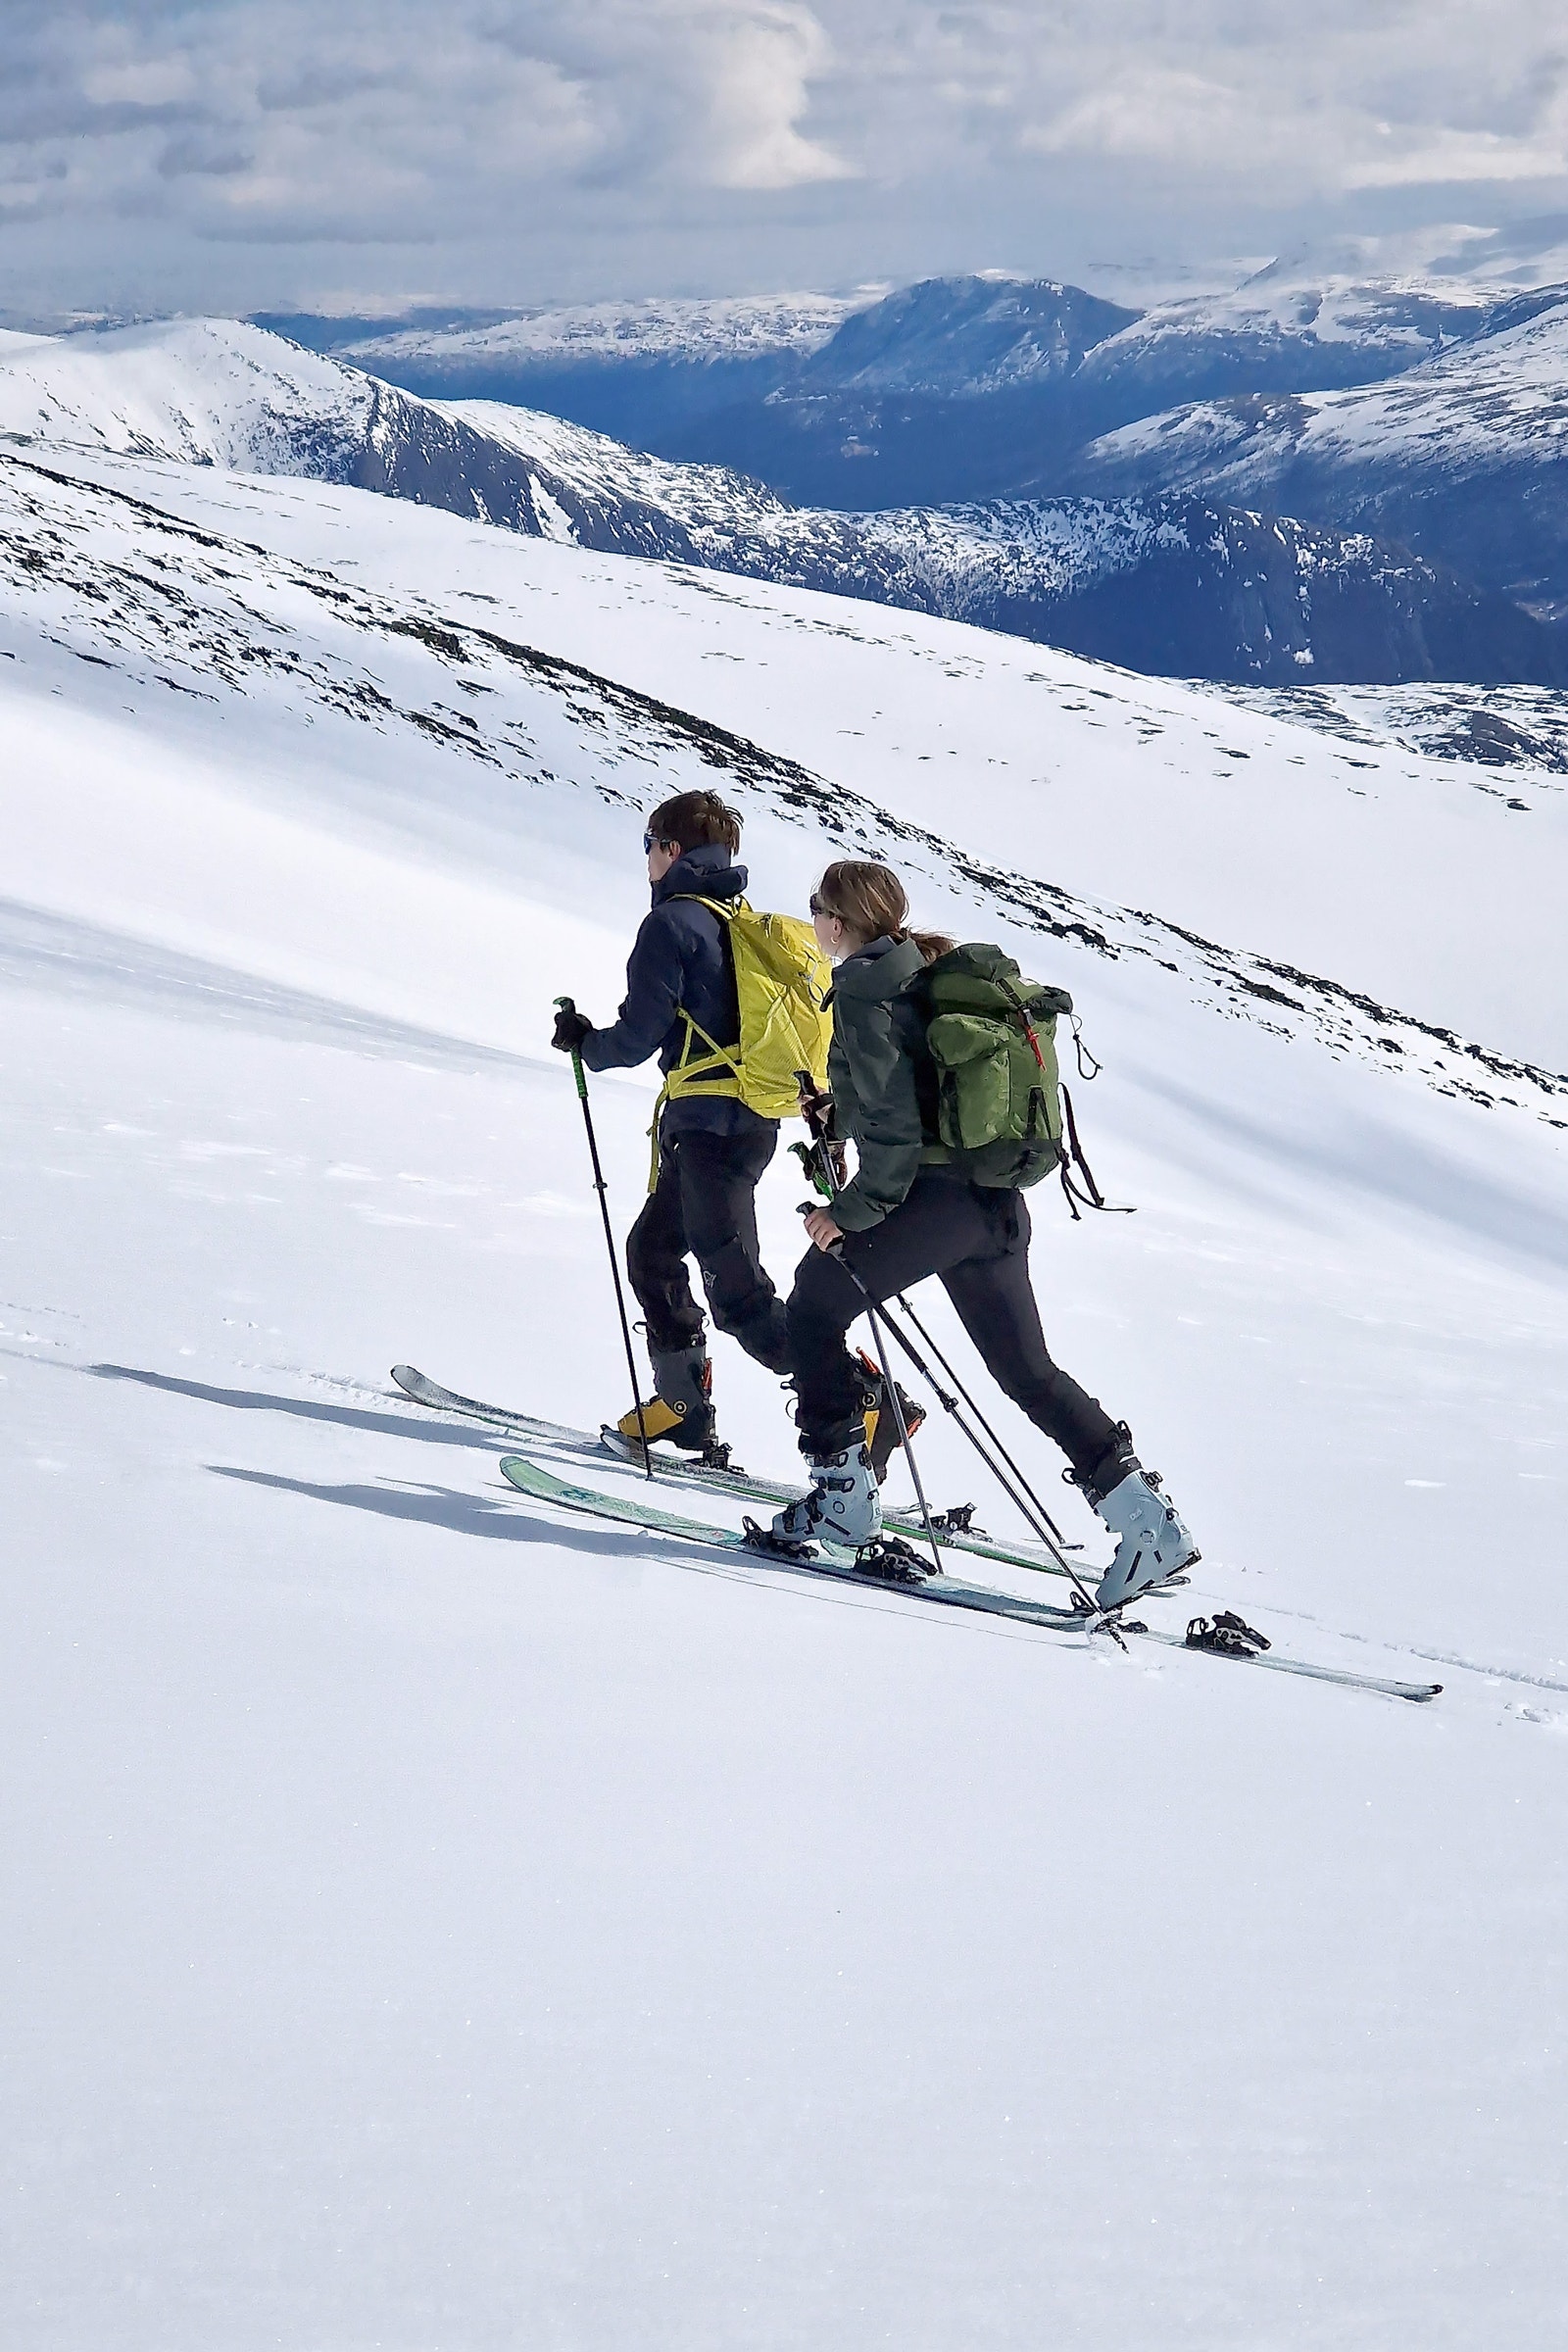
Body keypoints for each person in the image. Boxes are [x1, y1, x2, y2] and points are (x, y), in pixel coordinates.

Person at [772, 858, 1199, 1613]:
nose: (813, 920)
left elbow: (899, 1146)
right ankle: (1149, 1525)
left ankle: (841, 1495)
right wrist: (840, 1116)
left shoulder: (867, 995)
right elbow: (914, 1101)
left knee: (811, 1304)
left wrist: (847, 1214)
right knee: (1028, 1372)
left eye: (817, 909)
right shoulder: (920, 975)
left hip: (933, 1207)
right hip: (994, 1207)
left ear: (838, 922)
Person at [550, 790, 791, 1460]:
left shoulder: (673, 925)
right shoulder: (743, 924)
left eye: (650, 846)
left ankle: (857, 1402)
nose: (647, 860)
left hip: (709, 1127)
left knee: (738, 1292)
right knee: (654, 1254)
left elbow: (638, 1035)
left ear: (673, 852)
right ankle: (683, 1408)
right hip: (746, 1123)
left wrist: (585, 1043)